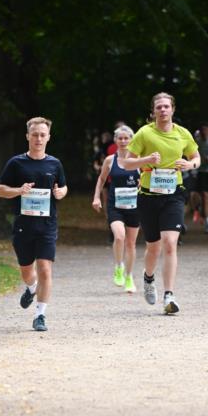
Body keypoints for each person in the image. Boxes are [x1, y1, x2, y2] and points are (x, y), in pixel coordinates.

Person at [123, 92, 200, 314]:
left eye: (166, 106)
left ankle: (169, 295)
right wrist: (147, 159)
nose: (163, 110)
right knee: (153, 247)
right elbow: (126, 163)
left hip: (174, 195)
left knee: (170, 243)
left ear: (173, 109)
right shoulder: (144, 133)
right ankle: (148, 278)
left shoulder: (182, 133)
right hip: (148, 196)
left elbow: (196, 158)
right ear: (153, 111)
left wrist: (190, 165)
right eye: (159, 107)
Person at [0, 117, 68, 332]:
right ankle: (31, 287)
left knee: (45, 268)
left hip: (47, 224)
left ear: (48, 137)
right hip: (23, 225)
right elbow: (0, 190)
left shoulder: (55, 164)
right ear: (28, 136)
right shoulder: (16, 163)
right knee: (27, 271)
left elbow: (64, 187)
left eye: (42, 135)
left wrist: (60, 192)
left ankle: (40, 315)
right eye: (35, 134)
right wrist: (19, 190)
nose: (38, 138)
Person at [92, 125, 139, 293]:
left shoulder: (138, 160)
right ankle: (119, 266)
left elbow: (147, 178)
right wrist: (97, 197)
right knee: (119, 237)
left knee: (131, 244)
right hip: (115, 205)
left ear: (132, 140)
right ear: (115, 140)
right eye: (120, 138)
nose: (123, 141)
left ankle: (129, 277)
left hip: (134, 206)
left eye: (126, 138)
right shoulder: (110, 160)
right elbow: (101, 179)